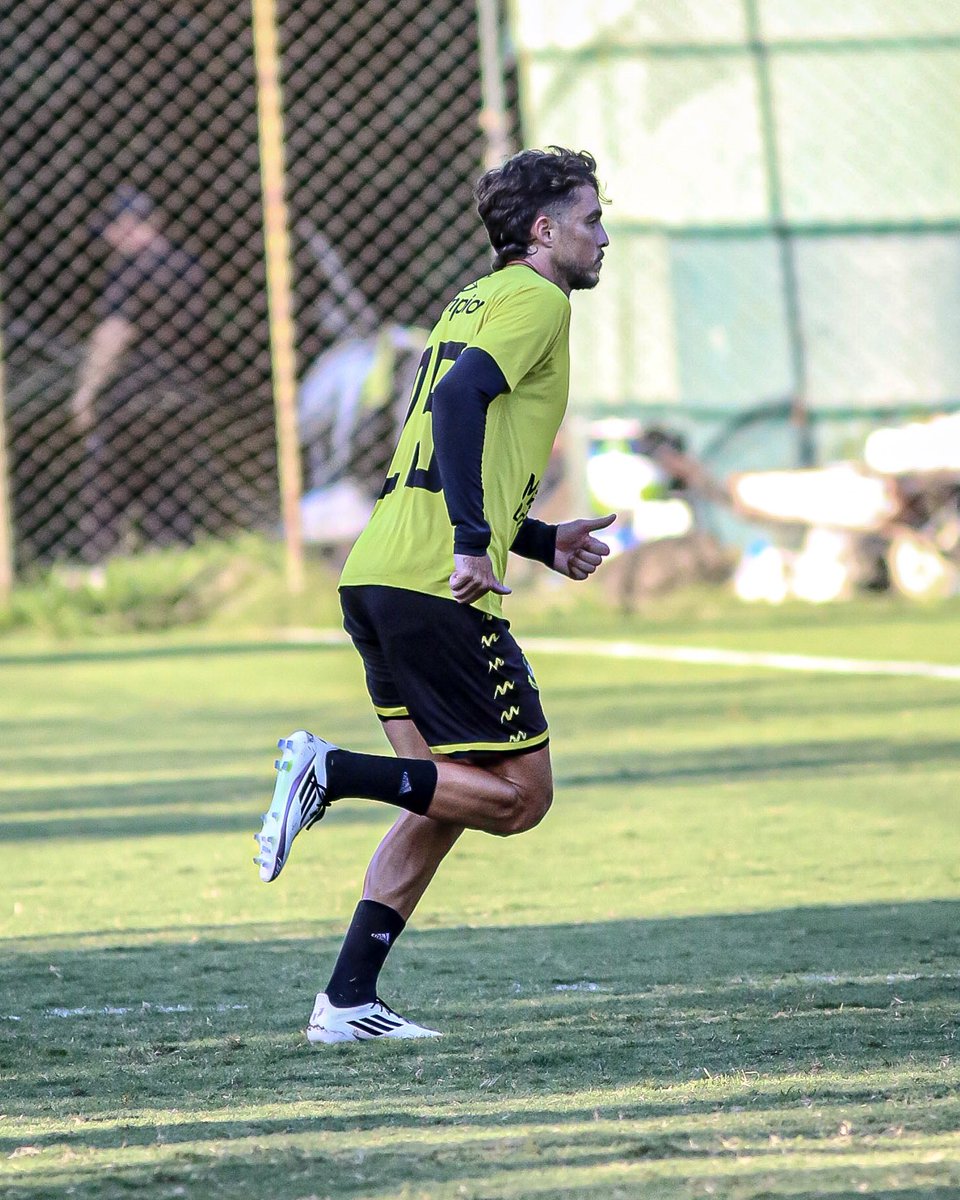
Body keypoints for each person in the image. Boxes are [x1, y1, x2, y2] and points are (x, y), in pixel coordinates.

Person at [255, 147, 614, 1043]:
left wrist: (533, 539)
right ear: (544, 231)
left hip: (379, 570)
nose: (604, 237)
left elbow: (439, 448)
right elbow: (457, 407)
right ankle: (328, 770)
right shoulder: (535, 301)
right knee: (519, 797)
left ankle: (345, 1001)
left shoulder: (471, 300)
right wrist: (469, 543)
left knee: (444, 794)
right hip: (432, 585)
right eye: (591, 218)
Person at [67, 187, 216, 560]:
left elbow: (114, 333)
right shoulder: (188, 266)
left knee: (105, 485)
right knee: (169, 488)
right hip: (182, 394)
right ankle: (171, 559)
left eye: (113, 230)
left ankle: (99, 566)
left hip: (133, 398)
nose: (110, 239)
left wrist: (85, 393)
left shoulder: (130, 269)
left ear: (127, 226)